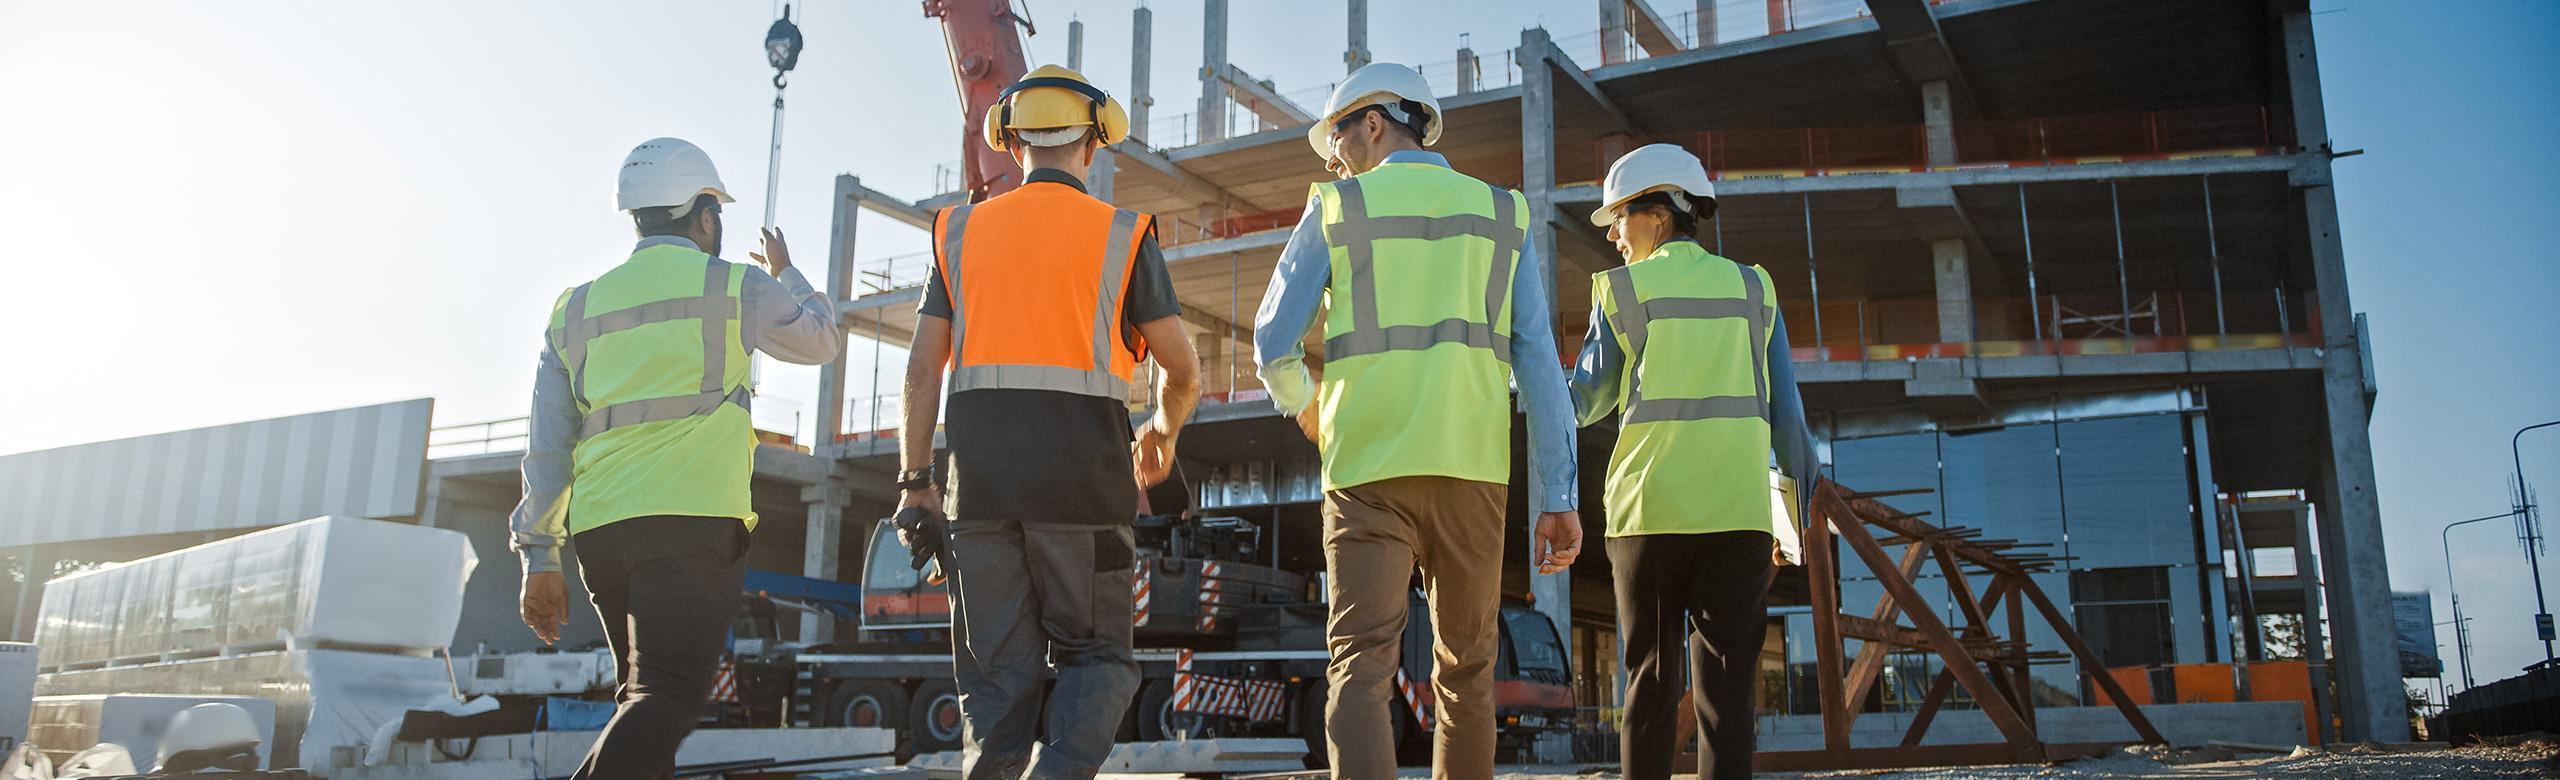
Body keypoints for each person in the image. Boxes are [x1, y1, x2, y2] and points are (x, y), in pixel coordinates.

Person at [1253, 62, 1581, 779]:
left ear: (1373, 123)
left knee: (1361, 669)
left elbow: (1272, 340)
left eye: (1337, 139)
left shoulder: (1338, 208)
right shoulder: (1502, 214)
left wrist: (1304, 404)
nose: (1334, 158)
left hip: (1366, 474)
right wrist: (1560, 496)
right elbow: (1540, 369)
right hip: (1471, 474)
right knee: (1467, 673)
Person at [895, 65, 1203, 780]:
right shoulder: (1124, 236)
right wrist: (1162, 428)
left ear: (1012, 144)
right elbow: (1183, 370)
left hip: (981, 503)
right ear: (1092, 147)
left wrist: (915, 483)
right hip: (1085, 501)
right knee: (1097, 660)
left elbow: (919, 371)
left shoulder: (958, 231)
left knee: (997, 688)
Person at [510, 137, 841, 779]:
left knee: (641, 703)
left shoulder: (574, 309)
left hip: (602, 531)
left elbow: (548, 447)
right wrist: (787, 274)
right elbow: (820, 339)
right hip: (690, 522)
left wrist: (539, 556)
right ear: (705, 215)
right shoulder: (734, 286)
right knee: (668, 695)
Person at [1569, 144, 1823, 780]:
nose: (1616, 238)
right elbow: (1788, 419)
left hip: (1647, 518)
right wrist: (1794, 520)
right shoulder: (1752, 288)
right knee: (1729, 700)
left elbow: (1584, 403)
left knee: (1649, 690)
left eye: (1619, 219)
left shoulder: (1625, 291)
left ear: (1658, 213)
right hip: (1736, 520)